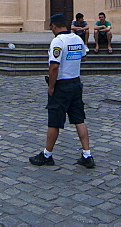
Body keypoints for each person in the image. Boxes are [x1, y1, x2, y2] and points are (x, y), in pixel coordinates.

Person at [29, 14, 95, 168]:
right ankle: (87, 154)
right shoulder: (77, 39)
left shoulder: (57, 42)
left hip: (61, 86)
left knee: (54, 121)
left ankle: (47, 155)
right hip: (76, 83)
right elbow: (84, 57)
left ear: (53, 26)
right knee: (79, 119)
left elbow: (54, 67)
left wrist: (51, 87)